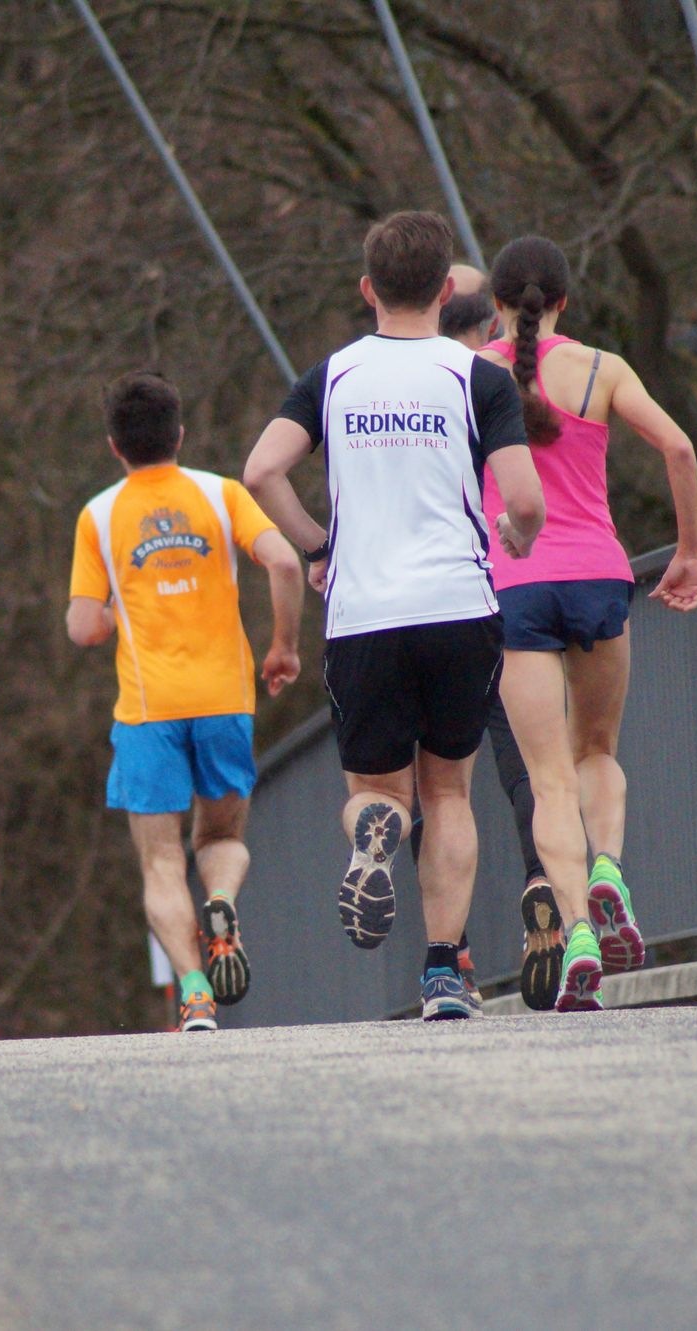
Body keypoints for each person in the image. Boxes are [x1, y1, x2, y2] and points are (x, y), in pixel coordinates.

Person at [243, 210, 547, 1023]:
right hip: (458, 608)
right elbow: (525, 500)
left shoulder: (333, 377)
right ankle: (444, 973)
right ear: (447, 290)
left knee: (378, 789)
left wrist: (319, 545)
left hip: (364, 611)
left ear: (367, 288)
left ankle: (376, 826)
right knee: (448, 791)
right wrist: (516, 535)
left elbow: (261, 469)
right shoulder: (477, 377)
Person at [482, 236, 697, 1011]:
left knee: (547, 778)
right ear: (564, 302)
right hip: (598, 576)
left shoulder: (471, 376)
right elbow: (679, 446)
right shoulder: (603, 369)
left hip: (515, 583)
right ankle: (609, 866)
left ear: (497, 304)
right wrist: (688, 552)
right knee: (597, 751)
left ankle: (578, 931)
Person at [67, 372, 304, 1033]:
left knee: (161, 860)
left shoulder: (99, 515)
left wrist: (114, 611)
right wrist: (283, 646)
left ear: (114, 445)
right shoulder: (221, 494)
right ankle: (221, 901)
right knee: (222, 836)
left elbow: (82, 628)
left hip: (149, 711)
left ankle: (195, 990)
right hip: (224, 699)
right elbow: (286, 563)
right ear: (179, 433)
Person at [438, 262, 565, 1011]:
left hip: (430, 609)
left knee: (432, 786)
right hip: (514, 597)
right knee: (527, 771)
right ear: (490, 320)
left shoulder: (410, 391)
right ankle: (542, 886)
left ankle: (449, 954)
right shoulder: (508, 380)